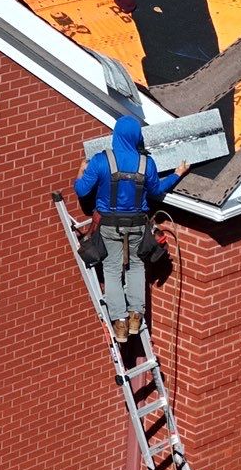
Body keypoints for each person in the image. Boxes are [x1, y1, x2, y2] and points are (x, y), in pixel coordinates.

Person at [74, 115, 190, 340]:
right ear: (137, 137)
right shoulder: (146, 163)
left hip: (109, 225)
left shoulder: (101, 161)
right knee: (137, 267)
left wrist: (81, 171)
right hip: (137, 225)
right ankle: (136, 315)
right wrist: (177, 174)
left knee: (112, 270)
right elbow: (157, 190)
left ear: (116, 136)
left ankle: (120, 323)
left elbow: (81, 190)